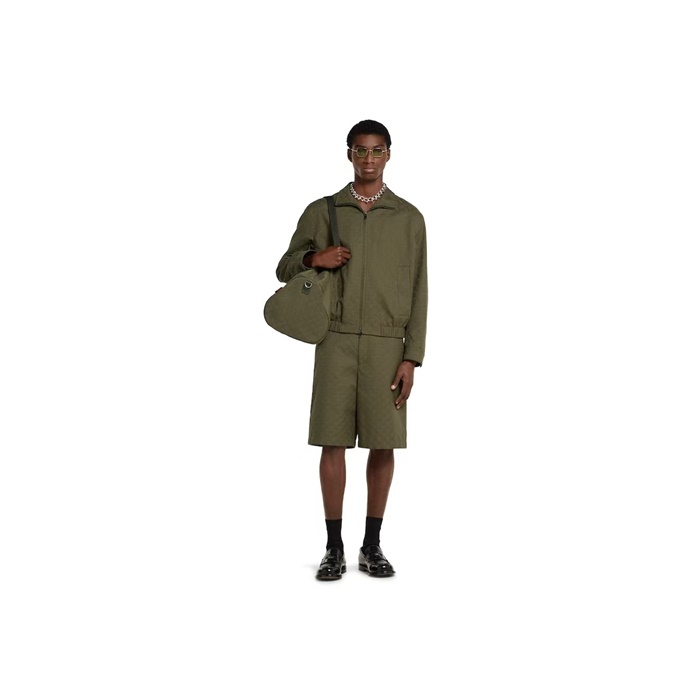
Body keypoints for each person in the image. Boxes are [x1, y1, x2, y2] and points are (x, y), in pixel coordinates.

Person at [275, 119, 428, 581]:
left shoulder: (409, 219)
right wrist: (313, 258)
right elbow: (284, 267)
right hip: (335, 340)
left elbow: (420, 290)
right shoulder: (323, 211)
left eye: (377, 150)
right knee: (332, 441)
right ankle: (334, 547)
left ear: (389, 154)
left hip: (387, 344)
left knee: (384, 444)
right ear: (349, 154)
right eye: (360, 150)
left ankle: (372, 545)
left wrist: (412, 357)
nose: (368, 159)